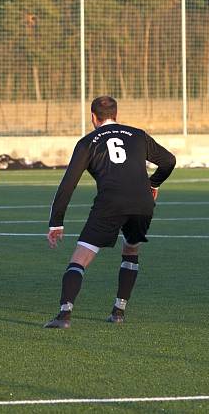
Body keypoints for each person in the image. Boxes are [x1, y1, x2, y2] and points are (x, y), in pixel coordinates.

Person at [44, 96, 176, 329]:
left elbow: (68, 184)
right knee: (132, 249)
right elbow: (169, 161)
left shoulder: (88, 142)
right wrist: (153, 184)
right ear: (116, 115)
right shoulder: (137, 134)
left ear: (93, 117)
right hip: (142, 202)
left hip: (110, 202)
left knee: (81, 257)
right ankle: (118, 312)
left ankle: (64, 315)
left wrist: (56, 222)